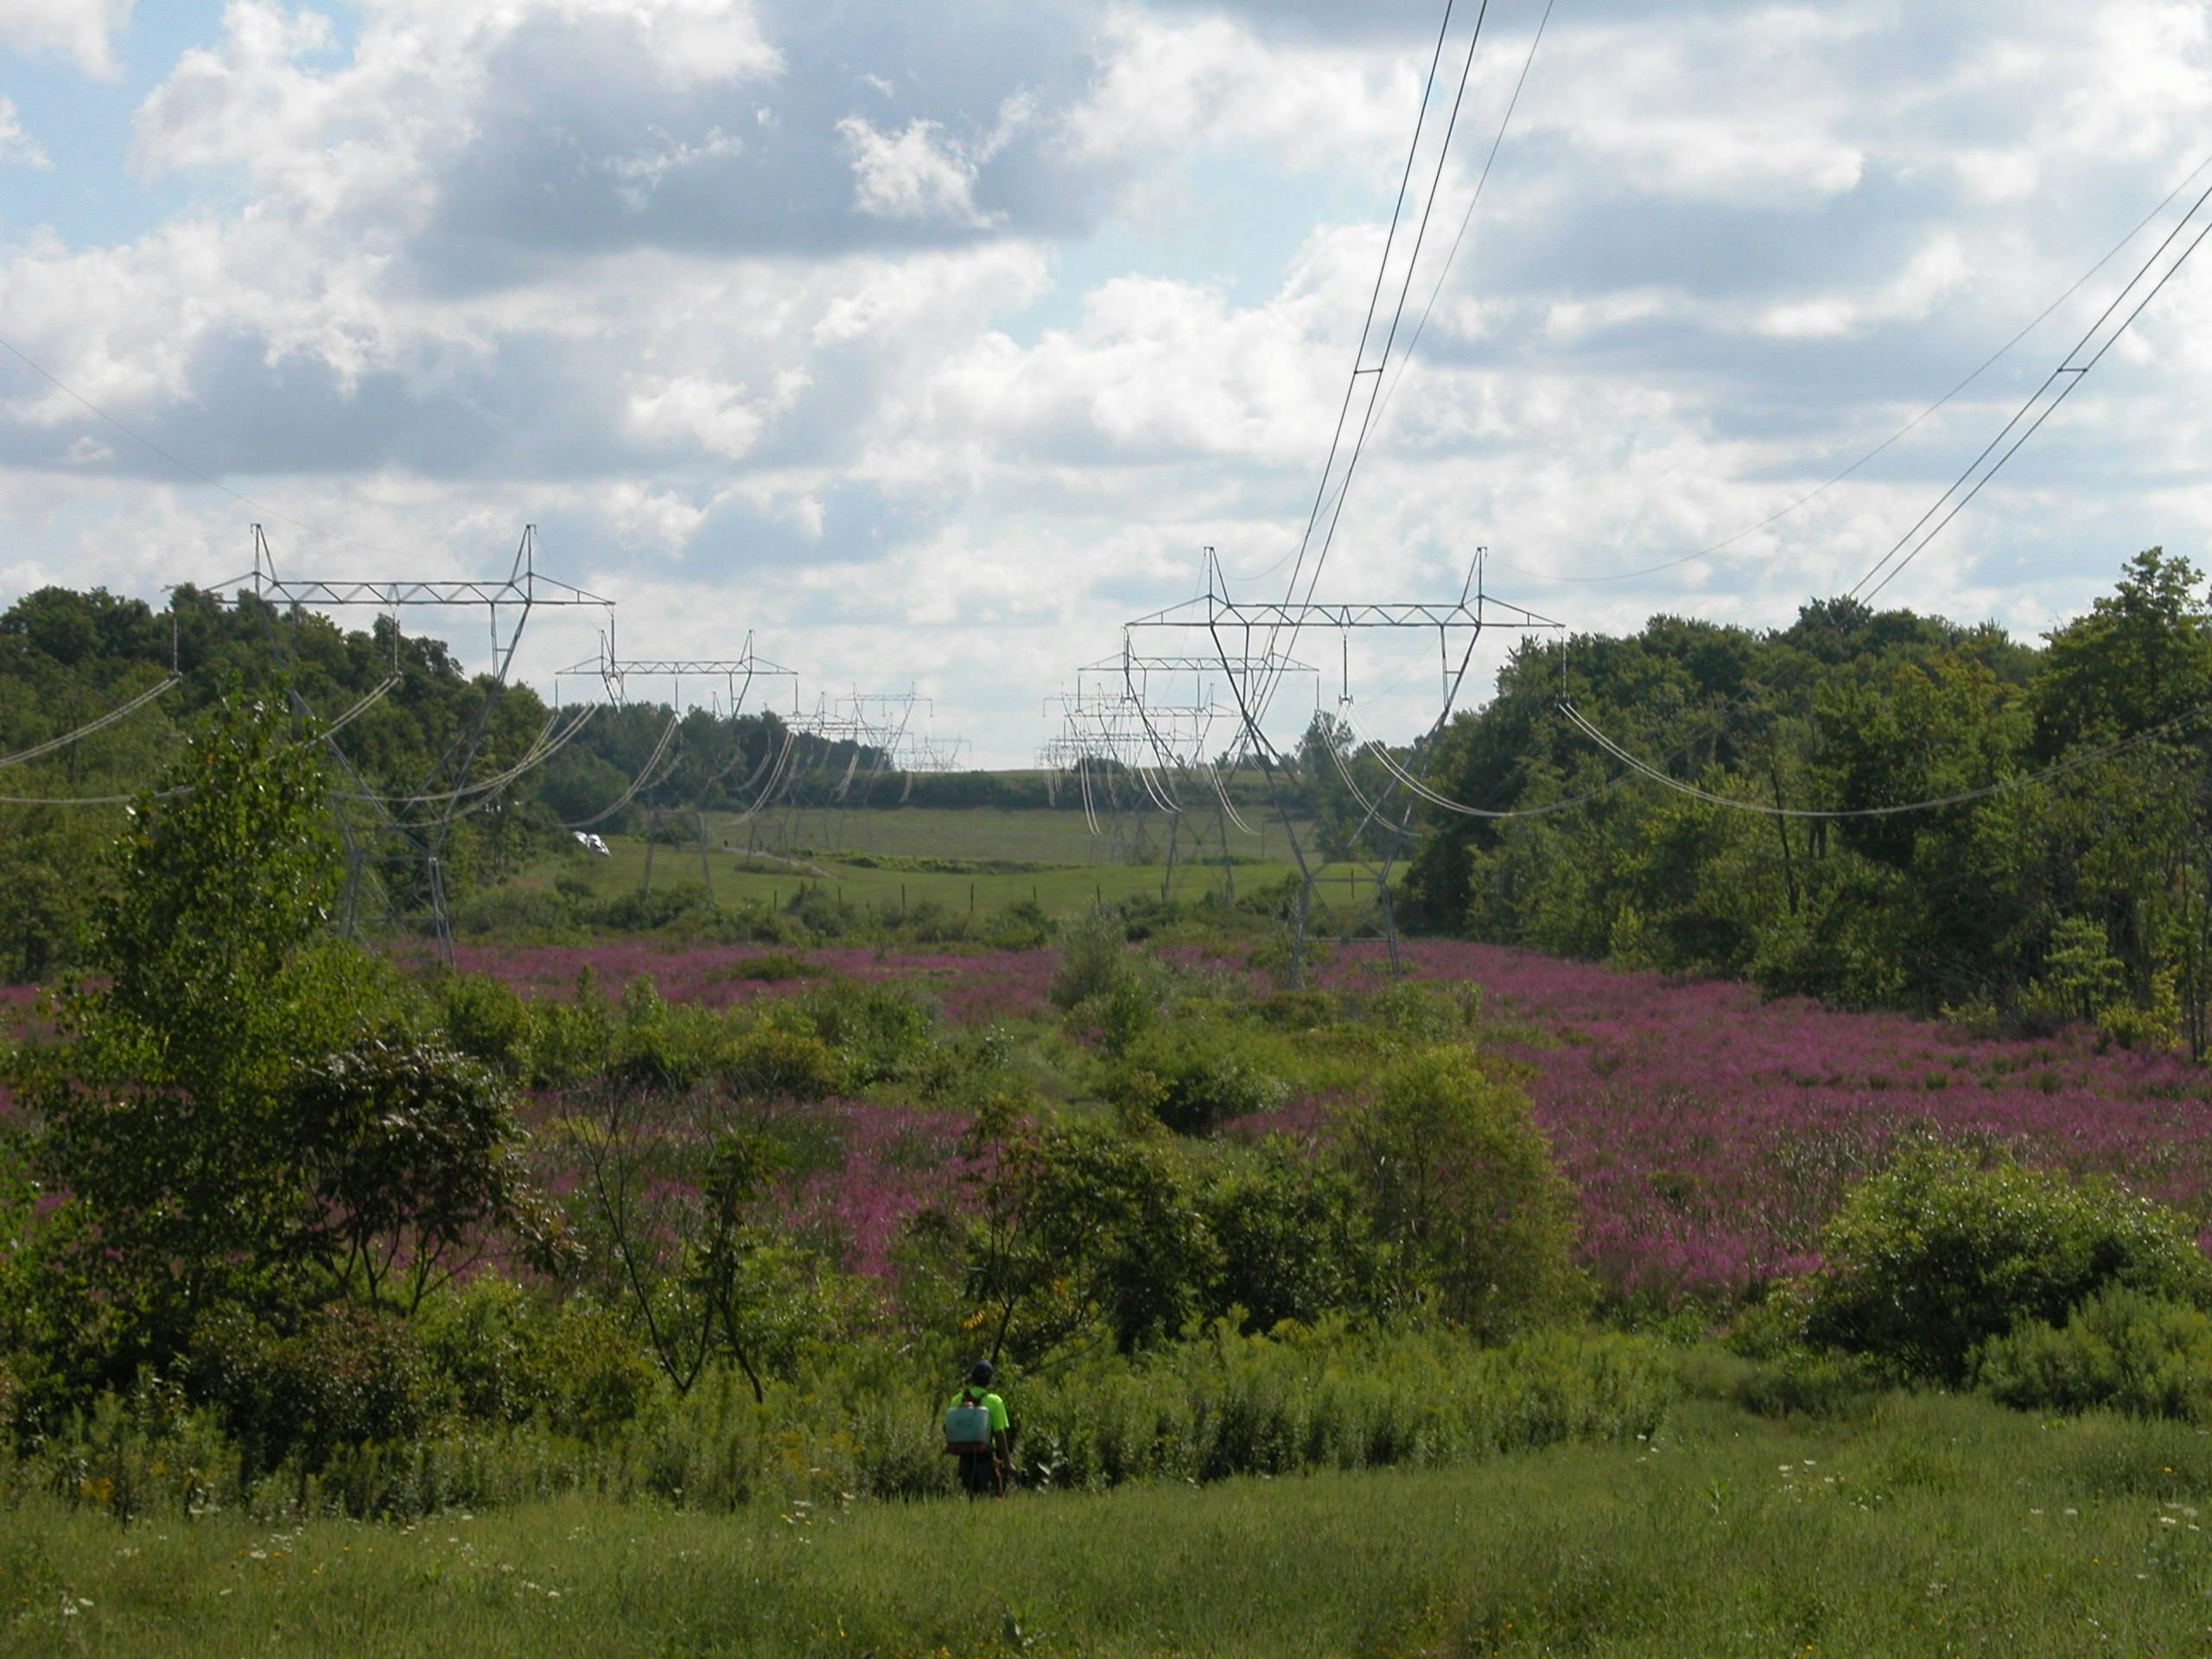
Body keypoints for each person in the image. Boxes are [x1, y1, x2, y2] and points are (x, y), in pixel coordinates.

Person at [945, 1360, 1012, 1497]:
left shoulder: (957, 1399)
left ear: (972, 1377)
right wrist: (1008, 1463)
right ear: (989, 1380)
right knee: (990, 1496)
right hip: (985, 1459)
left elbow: (947, 1428)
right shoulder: (994, 1401)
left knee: (970, 1496)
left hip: (964, 1458)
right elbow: (1000, 1434)